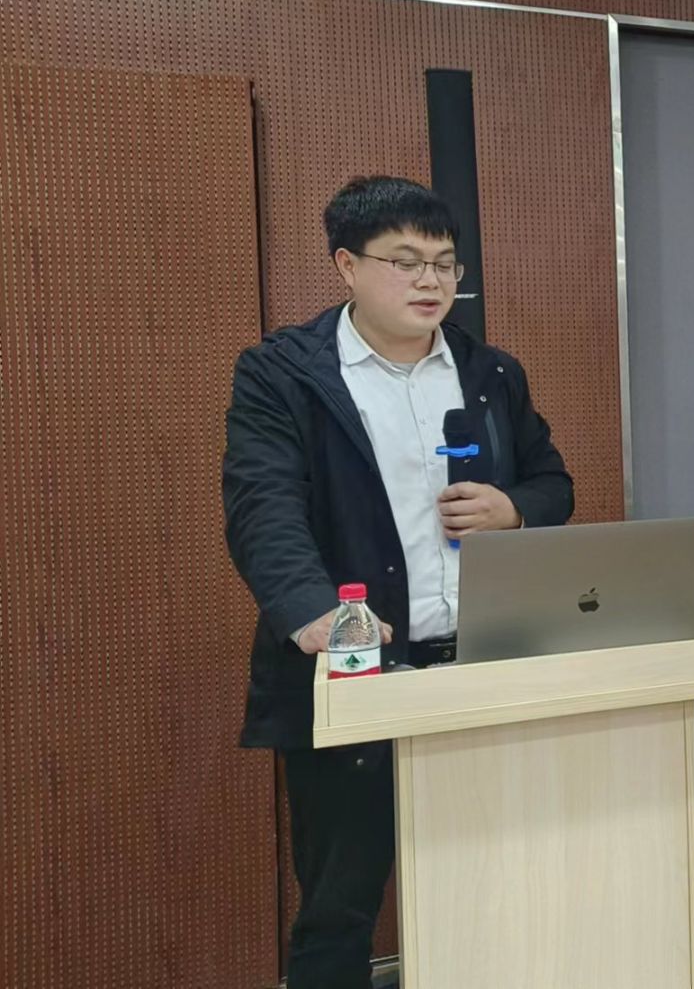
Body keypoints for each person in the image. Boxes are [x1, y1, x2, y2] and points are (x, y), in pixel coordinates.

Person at [222, 176, 573, 989]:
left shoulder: (490, 372)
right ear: (347, 264)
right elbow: (262, 508)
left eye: (445, 263)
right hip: (359, 670)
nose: (430, 281)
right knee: (339, 905)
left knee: (497, 879)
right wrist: (314, 613)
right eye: (406, 261)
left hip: (482, 662)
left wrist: (514, 508)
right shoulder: (285, 374)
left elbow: (552, 481)